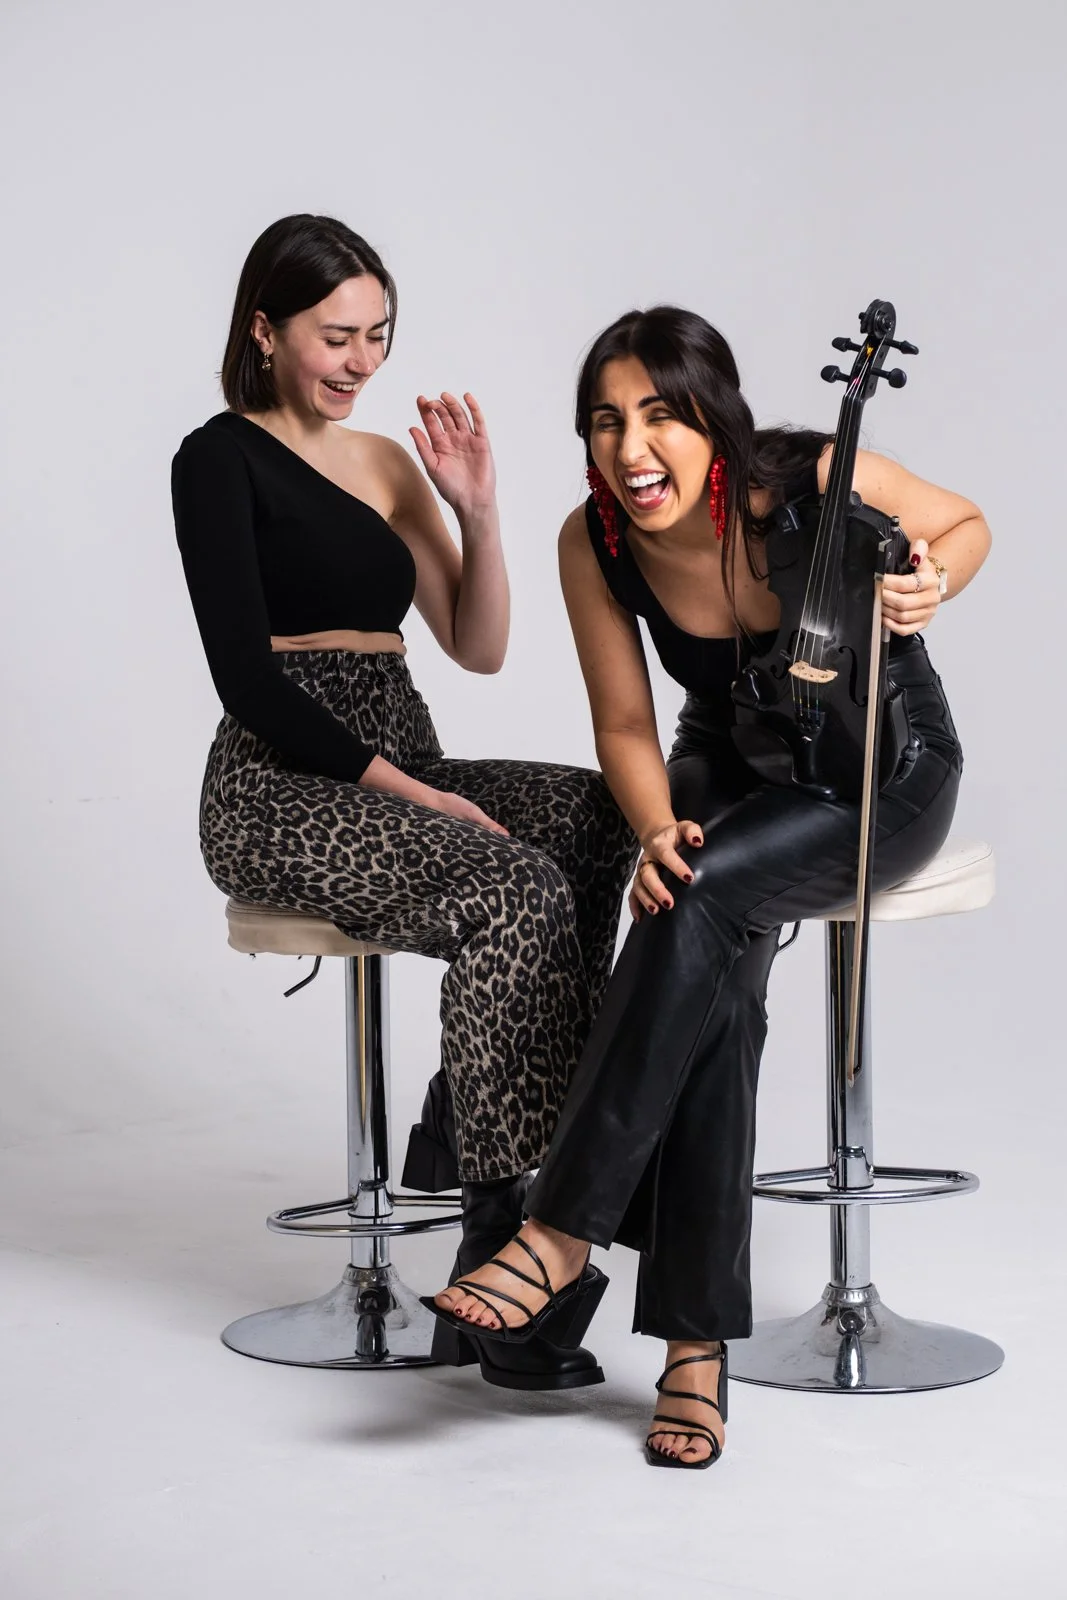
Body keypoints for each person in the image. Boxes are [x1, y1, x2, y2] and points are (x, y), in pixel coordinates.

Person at [426, 305, 992, 1467]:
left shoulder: (812, 480)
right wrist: (652, 829)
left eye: (659, 416)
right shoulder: (591, 541)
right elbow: (625, 720)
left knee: (702, 906)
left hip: (877, 773)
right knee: (708, 950)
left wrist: (932, 583)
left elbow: (964, 524)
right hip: (724, 765)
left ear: (714, 422)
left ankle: (558, 1233)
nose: (629, 449)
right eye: (603, 421)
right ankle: (693, 1347)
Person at [171, 214, 634, 1391]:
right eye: (335, 336)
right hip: (284, 783)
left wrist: (475, 505)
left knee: (589, 815)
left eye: (378, 336)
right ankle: (503, 1242)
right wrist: (409, 795)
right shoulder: (213, 457)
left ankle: (459, 1111)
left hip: (404, 748)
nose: (360, 362)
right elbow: (245, 678)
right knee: (511, 882)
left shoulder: (381, 460)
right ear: (264, 329)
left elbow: (475, 647)